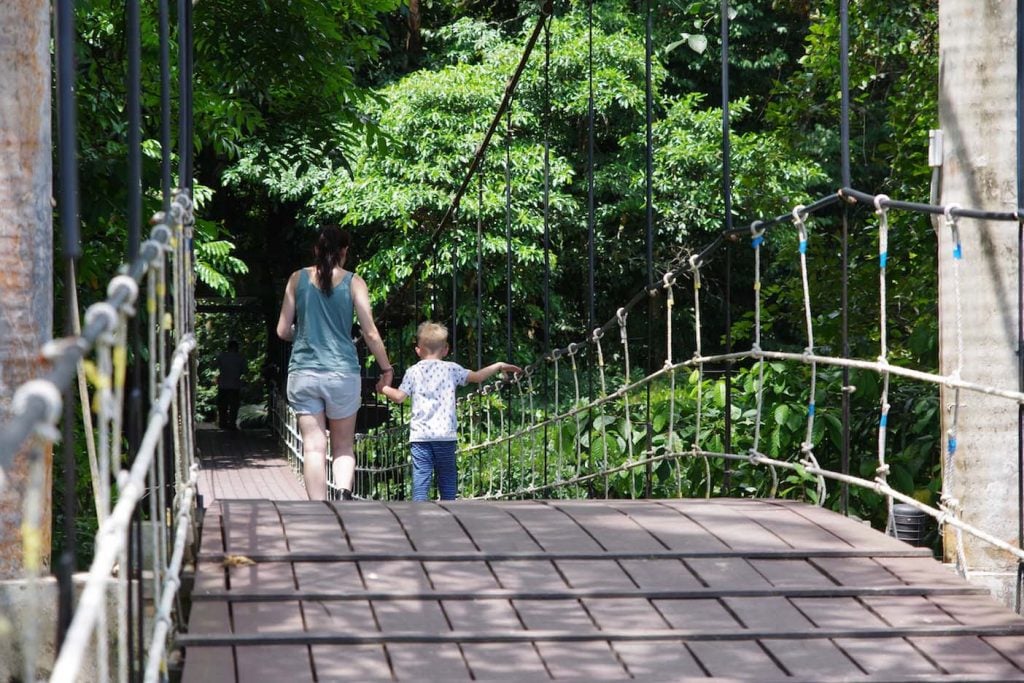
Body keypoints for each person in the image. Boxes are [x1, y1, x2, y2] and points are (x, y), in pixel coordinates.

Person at [276, 225, 393, 501]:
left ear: (316, 250)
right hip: (342, 373)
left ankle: (318, 509)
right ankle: (342, 494)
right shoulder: (355, 282)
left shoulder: (296, 279)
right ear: (344, 251)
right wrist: (386, 368)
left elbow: (282, 330)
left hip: (303, 373)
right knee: (343, 446)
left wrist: (303, 334)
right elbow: (370, 332)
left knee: (314, 447)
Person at [378, 321, 522, 501]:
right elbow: (477, 377)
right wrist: (498, 365)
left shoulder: (413, 371)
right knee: (447, 482)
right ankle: (450, 519)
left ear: (418, 350)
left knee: (420, 484)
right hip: (445, 436)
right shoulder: (452, 369)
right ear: (445, 349)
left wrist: (383, 388)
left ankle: (418, 520)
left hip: (421, 437)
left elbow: (399, 397)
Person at [216, 339, 245, 430]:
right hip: (235, 384)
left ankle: (222, 423)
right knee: (234, 406)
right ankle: (232, 423)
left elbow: (216, 365)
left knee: (222, 405)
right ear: (236, 348)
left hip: (223, 384)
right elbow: (244, 370)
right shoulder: (240, 358)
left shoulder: (222, 356)